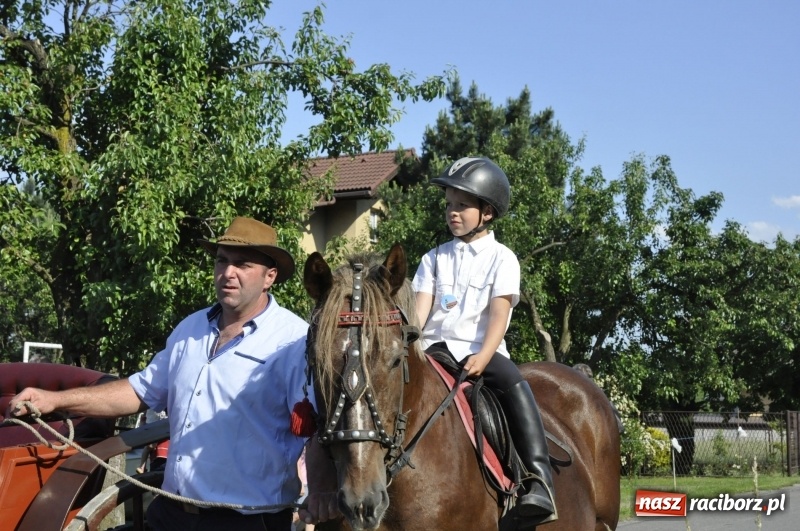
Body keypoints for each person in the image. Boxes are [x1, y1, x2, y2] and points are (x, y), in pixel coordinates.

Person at [6, 216, 311, 531]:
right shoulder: (190, 328)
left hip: (246, 522)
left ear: (269, 276)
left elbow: (316, 428)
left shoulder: (294, 341)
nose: (227, 273)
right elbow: (139, 391)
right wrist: (53, 400)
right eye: (222, 261)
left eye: (242, 264)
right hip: (169, 515)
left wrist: (323, 493)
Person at [411, 157, 556, 524]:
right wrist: (408, 346)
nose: (452, 213)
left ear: (487, 212)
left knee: (514, 383)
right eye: (448, 205)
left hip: (481, 352)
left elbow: (499, 315)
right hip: (433, 353)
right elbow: (418, 315)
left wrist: (485, 354)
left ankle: (539, 480)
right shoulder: (433, 259)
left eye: (462, 205)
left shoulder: (502, 259)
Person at [135, 408, 169, 474]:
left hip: (156, 423)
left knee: (149, 446)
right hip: (155, 423)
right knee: (149, 446)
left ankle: (142, 466)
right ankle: (142, 466)